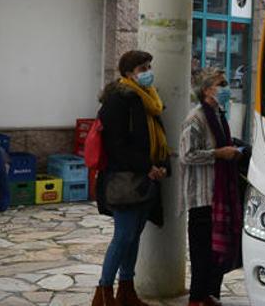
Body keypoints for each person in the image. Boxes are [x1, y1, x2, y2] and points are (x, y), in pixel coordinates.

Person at [93, 51, 171, 306]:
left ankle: (126, 290)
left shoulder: (149, 98)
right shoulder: (119, 99)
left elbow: (158, 136)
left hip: (145, 178)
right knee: (123, 235)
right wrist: (146, 166)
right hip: (123, 179)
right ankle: (103, 293)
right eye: (142, 67)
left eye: (149, 66)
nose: (148, 71)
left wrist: (161, 166)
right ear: (128, 73)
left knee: (135, 235)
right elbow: (116, 145)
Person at [180, 68, 244, 306]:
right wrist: (219, 153)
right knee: (202, 253)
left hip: (221, 193)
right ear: (207, 90)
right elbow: (186, 155)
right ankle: (197, 298)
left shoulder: (219, 114)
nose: (227, 88)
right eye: (222, 84)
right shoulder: (196, 118)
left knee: (218, 251)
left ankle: (210, 295)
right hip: (202, 196)